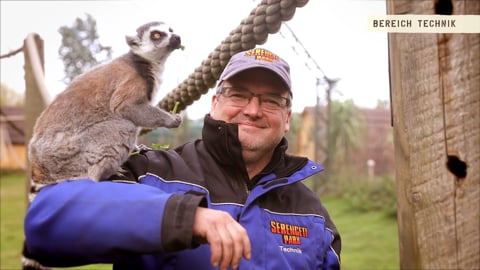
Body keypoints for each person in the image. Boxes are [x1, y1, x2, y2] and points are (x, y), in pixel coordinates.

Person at [24, 48, 341, 270]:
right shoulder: (149, 173)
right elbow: (47, 223)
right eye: (239, 94)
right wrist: (185, 218)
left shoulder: (314, 217)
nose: (253, 109)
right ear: (215, 103)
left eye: (271, 100)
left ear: (287, 118)